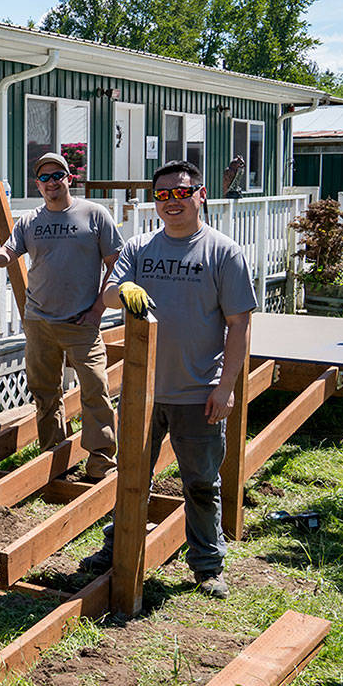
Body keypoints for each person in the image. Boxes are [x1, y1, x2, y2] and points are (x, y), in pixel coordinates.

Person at [83, 159, 256, 600]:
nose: (171, 202)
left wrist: (226, 387)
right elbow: (106, 294)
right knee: (132, 477)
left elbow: (239, 324)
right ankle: (117, 547)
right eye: (162, 195)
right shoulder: (140, 247)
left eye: (181, 192)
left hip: (198, 393)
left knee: (200, 481)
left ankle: (207, 564)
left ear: (200, 194)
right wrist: (122, 290)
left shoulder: (222, 252)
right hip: (143, 393)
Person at [0, 152, 123, 480]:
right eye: (45, 178)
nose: (52, 182)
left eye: (58, 175)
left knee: (95, 390)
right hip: (39, 321)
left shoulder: (94, 215)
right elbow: (6, 255)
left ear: (69, 178)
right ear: (37, 184)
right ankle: (54, 460)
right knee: (45, 391)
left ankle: (101, 463)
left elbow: (116, 264)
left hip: (82, 321)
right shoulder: (29, 222)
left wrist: (98, 310)